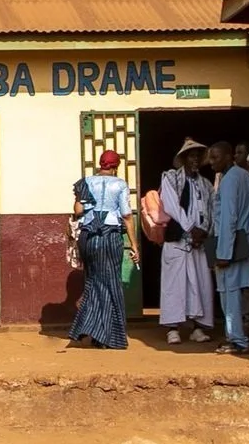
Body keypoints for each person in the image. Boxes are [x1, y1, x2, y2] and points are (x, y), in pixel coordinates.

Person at [66, 150, 140, 349]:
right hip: (110, 237)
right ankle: (108, 336)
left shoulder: (85, 182)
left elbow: (78, 210)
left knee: (93, 282)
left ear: (100, 164)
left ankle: (87, 328)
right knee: (110, 284)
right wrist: (134, 244)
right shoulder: (120, 184)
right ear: (116, 166)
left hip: (88, 239)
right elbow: (126, 215)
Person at [156, 139, 216, 344]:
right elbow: (172, 206)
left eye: (199, 155)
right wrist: (191, 228)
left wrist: (204, 232)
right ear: (183, 158)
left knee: (200, 284)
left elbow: (211, 210)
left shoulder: (205, 184)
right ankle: (172, 328)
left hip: (198, 243)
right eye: (191, 155)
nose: (196, 159)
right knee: (174, 285)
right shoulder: (170, 178)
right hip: (178, 241)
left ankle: (198, 327)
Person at [210, 143, 249, 354]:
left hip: (232, 243)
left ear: (228, 156)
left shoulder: (230, 179)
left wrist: (223, 253)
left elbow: (228, 218)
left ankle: (237, 339)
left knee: (229, 291)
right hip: (244, 238)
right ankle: (237, 336)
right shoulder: (243, 176)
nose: (212, 162)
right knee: (238, 289)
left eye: (216, 157)